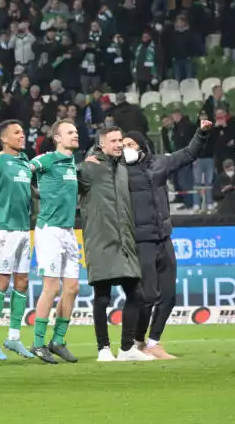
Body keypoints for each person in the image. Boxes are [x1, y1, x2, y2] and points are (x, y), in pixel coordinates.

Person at [123, 120, 210, 359]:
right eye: (123, 144)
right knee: (148, 295)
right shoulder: (119, 171)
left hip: (164, 238)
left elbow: (189, 153)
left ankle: (153, 342)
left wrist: (201, 132)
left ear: (141, 146)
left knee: (169, 296)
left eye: (130, 144)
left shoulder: (160, 163)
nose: (125, 148)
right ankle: (138, 340)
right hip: (141, 241)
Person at [78, 126, 149, 362]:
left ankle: (127, 348)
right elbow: (64, 184)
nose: (119, 144)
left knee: (136, 295)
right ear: (102, 145)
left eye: (121, 140)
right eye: (114, 141)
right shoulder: (89, 168)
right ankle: (103, 349)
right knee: (102, 297)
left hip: (124, 241)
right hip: (100, 240)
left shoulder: (122, 169)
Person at [0, 120, 36, 361]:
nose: (22, 136)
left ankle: (13, 337)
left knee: (22, 281)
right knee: (2, 280)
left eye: (22, 132)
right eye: (17, 133)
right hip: (4, 228)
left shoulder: (25, 162)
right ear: (4, 138)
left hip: (23, 228)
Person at [28, 120, 82, 364]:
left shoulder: (72, 162)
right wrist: (31, 191)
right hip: (49, 230)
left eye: (76, 132)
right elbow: (24, 169)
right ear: (57, 138)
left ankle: (58, 340)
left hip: (69, 231)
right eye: (70, 132)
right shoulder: (47, 159)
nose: (75, 135)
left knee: (72, 288)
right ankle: (38, 343)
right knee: (52, 287)